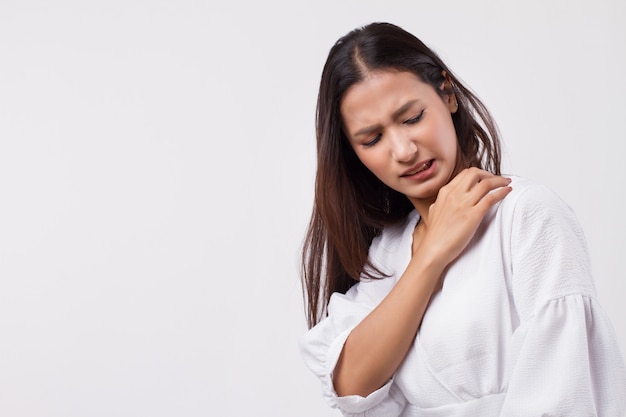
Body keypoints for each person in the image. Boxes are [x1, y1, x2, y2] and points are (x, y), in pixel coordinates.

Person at [298, 22, 626, 416]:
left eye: (412, 117)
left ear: (447, 94)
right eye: (372, 139)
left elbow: (563, 395)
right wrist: (432, 255)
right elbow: (350, 386)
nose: (403, 150)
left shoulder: (526, 214)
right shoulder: (388, 253)